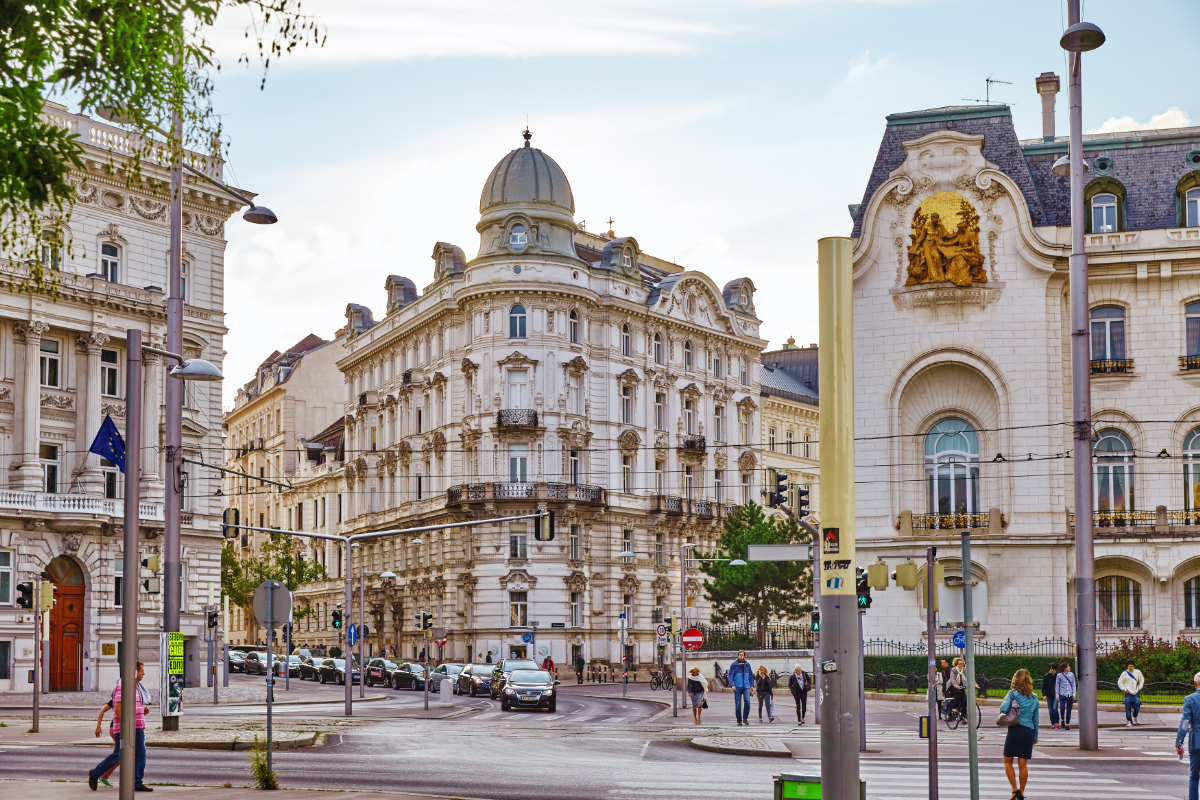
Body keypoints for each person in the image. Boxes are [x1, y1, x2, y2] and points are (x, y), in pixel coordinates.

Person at [88, 661, 152, 792]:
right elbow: (118, 709)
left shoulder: (135, 686)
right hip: (125, 729)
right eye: (142, 670)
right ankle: (94, 774)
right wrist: (126, 728)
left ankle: (137, 783)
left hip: (138, 727)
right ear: (135, 671)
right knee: (120, 754)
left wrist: (141, 711)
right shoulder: (123, 685)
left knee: (141, 754)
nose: (144, 673)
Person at [1000, 668, 1040, 800]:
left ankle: (1014, 790)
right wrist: (1035, 737)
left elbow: (1003, 709)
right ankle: (1021, 793)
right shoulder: (1034, 697)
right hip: (1028, 731)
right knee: (1023, 764)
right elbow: (1036, 719)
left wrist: (1008, 698)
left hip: (1015, 730)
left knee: (1007, 761)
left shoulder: (1012, 693)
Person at [1175, 672, 1200, 800]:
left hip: (1197, 742)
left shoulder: (1190, 699)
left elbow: (1185, 723)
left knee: (1194, 777)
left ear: (1195, 684)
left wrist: (1179, 742)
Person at [93, 699, 119, 788]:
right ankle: (101, 775)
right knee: (120, 754)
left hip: (118, 730)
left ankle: (103, 775)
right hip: (116, 730)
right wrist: (98, 726)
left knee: (121, 755)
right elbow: (102, 710)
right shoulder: (117, 698)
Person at [728, 650, 754, 726]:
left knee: (747, 701)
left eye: (742, 655)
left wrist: (751, 685)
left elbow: (750, 675)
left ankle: (745, 718)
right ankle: (739, 720)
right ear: (738, 656)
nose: (741, 656)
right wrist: (732, 685)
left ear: (744, 656)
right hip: (737, 687)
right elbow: (730, 675)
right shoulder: (734, 665)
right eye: (740, 655)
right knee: (738, 704)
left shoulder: (747, 665)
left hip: (746, 686)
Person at [1119, 661, 1145, 727]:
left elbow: (1141, 680)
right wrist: (1124, 689)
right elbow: (1120, 682)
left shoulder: (1138, 672)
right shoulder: (1124, 673)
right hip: (1128, 693)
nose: (1131, 668)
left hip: (1135, 692)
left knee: (1137, 706)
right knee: (1128, 708)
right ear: (1127, 667)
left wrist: (1139, 687)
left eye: (1132, 666)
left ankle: (1135, 716)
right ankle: (1129, 721)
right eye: (1129, 666)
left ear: (1134, 666)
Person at [1056, 661, 1077, 731]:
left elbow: (1073, 684)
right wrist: (1057, 694)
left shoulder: (1071, 674)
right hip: (1062, 693)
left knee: (1069, 710)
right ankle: (1062, 719)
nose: (1069, 667)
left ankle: (1067, 724)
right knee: (1062, 708)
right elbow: (1057, 685)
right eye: (1068, 666)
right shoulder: (1059, 675)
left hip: (1070, 694)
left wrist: (1074, 694)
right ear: (1065, 668)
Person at [1041, 664, 1059, 728]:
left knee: (1055, 708)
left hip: (1056, 695)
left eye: (1053, 669)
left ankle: (1057, 722)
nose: (1052, 670)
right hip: (1049, 695)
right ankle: (1053, 723)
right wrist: (1044, 695)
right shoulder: (1046, 676)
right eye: (1051, 669)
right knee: (1050, 710)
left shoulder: (1058, 676)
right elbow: (1044, 686)